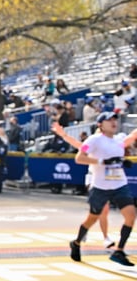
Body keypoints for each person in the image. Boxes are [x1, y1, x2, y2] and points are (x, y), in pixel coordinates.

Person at [68, 111, 137, 267]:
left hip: (120, 184)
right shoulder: (94, 140)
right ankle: (77, 242)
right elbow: (79, 158)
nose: (113, 123)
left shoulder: (119, 139)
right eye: (109, 120)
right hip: (100, 186)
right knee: (92, 218)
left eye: (115, 120)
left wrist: (123, 161)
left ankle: (119, 250)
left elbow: (124, 147)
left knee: (131, 215)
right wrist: (102, 161)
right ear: (100, 124)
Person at [51, 121, 113, 247]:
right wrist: (63, 135)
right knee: (103, 209)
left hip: (107, 180)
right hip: (93, 180)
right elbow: (77, 144)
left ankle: (86, 231)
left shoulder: (110, 146)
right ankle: (105, 237)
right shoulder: (90, 146)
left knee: (97, 212)